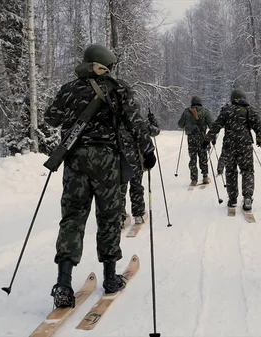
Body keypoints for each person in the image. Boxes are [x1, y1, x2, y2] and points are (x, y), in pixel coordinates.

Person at [44, 44, 156, 308]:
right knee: (108, 216)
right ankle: (109, 277)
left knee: (72, 218)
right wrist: (148, 151)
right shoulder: (117, 89)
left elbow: (51, 118)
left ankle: (63, 283)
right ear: (106, 65)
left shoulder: (69, 89)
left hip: (74, 161)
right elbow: (136, 122)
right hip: (107, 160)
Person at [205, 89, 261, 210]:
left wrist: (207, 139)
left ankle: (232, 199)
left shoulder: (226, 110)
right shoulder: (249, 110)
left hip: (229, 145)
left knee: (231, 171)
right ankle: (247, 197)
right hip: (245, 145)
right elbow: (258, 126)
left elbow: (216, 125)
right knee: (247, 171)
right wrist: (259, 138)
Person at [120, 110, 161, 225]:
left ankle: (120, 217)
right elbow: (155, 131)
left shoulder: (113, 120)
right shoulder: (136, 119)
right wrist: (151, 119)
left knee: (120, 187)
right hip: (134, 158)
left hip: (118, 157)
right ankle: (139, 214)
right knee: (136, 185)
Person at [177, 96, 214, 186]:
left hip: (191, 137)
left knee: (192, 158)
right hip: (202, 137)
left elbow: (180, 124)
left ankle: (194, 179)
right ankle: (205, 177)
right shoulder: (205, 111)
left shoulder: (187, 111)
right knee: (203, 157)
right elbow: (212, 125)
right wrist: (211, 137)